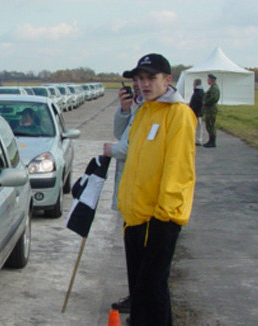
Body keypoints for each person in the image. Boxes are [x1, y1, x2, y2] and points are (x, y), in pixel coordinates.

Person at [118, 53, 196, 326]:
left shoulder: (179, 114)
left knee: (151, 288)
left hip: (159, 218)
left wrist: (164, 215)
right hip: (135, 216)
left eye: (151, 78)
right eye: (139, 79)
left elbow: (179, 169)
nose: (144, 84)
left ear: (168, 79)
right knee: (140, 290)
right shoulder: (144, 112)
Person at [102, 79, 143, 315]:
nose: (138, 86)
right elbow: (121, 132)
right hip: (129, 190)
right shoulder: (139, 108)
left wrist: (112, 150)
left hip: (139, 191)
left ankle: (139, 300)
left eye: (144, 80)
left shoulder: (152, 111)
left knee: (138, 250)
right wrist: (124, 109)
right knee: (131, 249)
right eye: (135, 82)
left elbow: (133, 147)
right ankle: (135, 294)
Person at [203, 74, 220, 148]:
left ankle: (212, 141)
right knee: (209, 125)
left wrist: (206, 102)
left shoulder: (214, 88)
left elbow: (214, 98)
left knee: (210, 125)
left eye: (208, 79)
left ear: (212, 80)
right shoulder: (212, 87)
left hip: (211, 109)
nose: (208, 81)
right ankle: (210, 140)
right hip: (209, 109)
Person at [189, 78, 205, 146]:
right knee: (197, 126)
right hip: (197, 111)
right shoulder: (200, 92)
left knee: (198, 126)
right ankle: (197, 139)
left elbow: (197, 103)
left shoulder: (198, 92)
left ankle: (198, 140)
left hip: (197, 112)